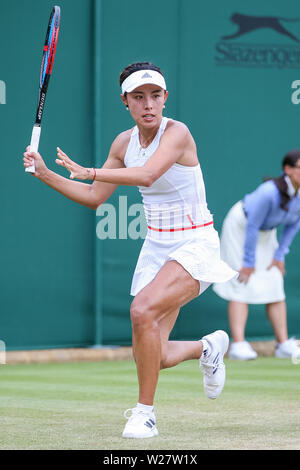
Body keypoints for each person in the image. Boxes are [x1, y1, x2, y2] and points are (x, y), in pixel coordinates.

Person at [23, 62, 237, 439]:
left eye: (155, 95)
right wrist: (45, 173)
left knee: (141, 310)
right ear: (125, 102)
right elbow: (94, 198)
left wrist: (90, 170)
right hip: (156, 245)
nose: (148, 104)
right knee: (147, 356)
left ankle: (145, 414)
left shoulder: (178, 133)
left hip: (195, 243)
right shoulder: (123, 144)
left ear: (165, 98)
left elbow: (147, 175)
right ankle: (208, 348)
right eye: (138, 97)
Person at [213, 150, 300, 361]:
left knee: (274, 279)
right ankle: (239, 344)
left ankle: (282, 343)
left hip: (266, 233)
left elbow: (293, 224)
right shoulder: (268, 192)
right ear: (288, 170)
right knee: (242, 279)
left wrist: (280, 255)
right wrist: (248, 262)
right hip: (241, 227)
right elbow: (252, 225)